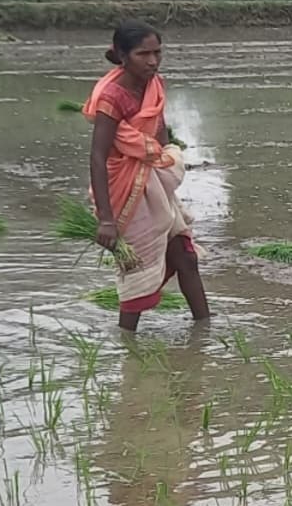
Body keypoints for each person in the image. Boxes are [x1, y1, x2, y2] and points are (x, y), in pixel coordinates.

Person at [87, 22, 209, 331]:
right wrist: (106, 219)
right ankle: (127, 345)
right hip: (126, 192)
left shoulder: (155, 84)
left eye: (157, 53)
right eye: (144, 54)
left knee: (185, 258)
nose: (153, 61)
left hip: (153, 182)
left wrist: (167, 159)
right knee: (138, 273)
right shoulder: (112, 98)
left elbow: (160, 131)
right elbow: (98, 157)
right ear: (122, 56)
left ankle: (205, 333)